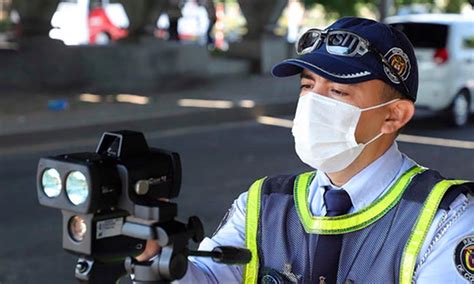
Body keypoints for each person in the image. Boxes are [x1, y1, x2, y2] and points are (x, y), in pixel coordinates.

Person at [139, 17, 474, 283]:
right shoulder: (262, 203)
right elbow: (208, 278)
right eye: (307, 86)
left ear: (393, 115)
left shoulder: (448, 221)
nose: (313, 104)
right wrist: (154, 254)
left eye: (338, 92)